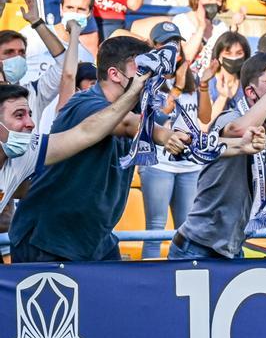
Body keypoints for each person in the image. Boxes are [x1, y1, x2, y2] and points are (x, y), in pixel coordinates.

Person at [8, 37, 192, 262]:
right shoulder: (84, 104)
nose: (150, 77)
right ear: (115, 74)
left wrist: (230, 145)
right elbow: (127, 123)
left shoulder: (135, 106)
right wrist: (166, 136)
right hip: (47, 238)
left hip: (95, 238)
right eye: (143, 70)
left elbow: (151, 123)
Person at [171, 53, 266, 259]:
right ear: (250, 92)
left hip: (232, 250)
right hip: (196, 249)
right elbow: (238, 130)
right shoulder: (231, 118)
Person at [0, 74, 152, 215]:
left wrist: (133, 92)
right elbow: (68, 75)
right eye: (19, 115)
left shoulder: (27, 153)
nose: (31, 124)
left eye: (30, 115)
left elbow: (86, 132)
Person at [139, 22, 208, 258]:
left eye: (175, 43)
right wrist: (177, 88)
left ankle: (183, 277)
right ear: (153, 47)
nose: (172, 48)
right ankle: (149, 284)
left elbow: (205, 117)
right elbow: (158, 116)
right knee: (155, 228)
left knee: (186, 230)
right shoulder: (145, 76)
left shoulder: (192, 77)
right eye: (165, 43)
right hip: (159, 163)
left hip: (190, 165)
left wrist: (202, 85)